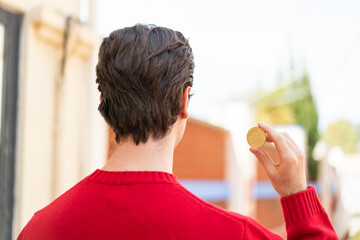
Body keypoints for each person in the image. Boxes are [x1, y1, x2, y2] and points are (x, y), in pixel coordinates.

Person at [18, 24, 338, 239]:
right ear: (185, 100)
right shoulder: (235, 233)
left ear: (103, 101)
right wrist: (298, 196)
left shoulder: (39, 229)